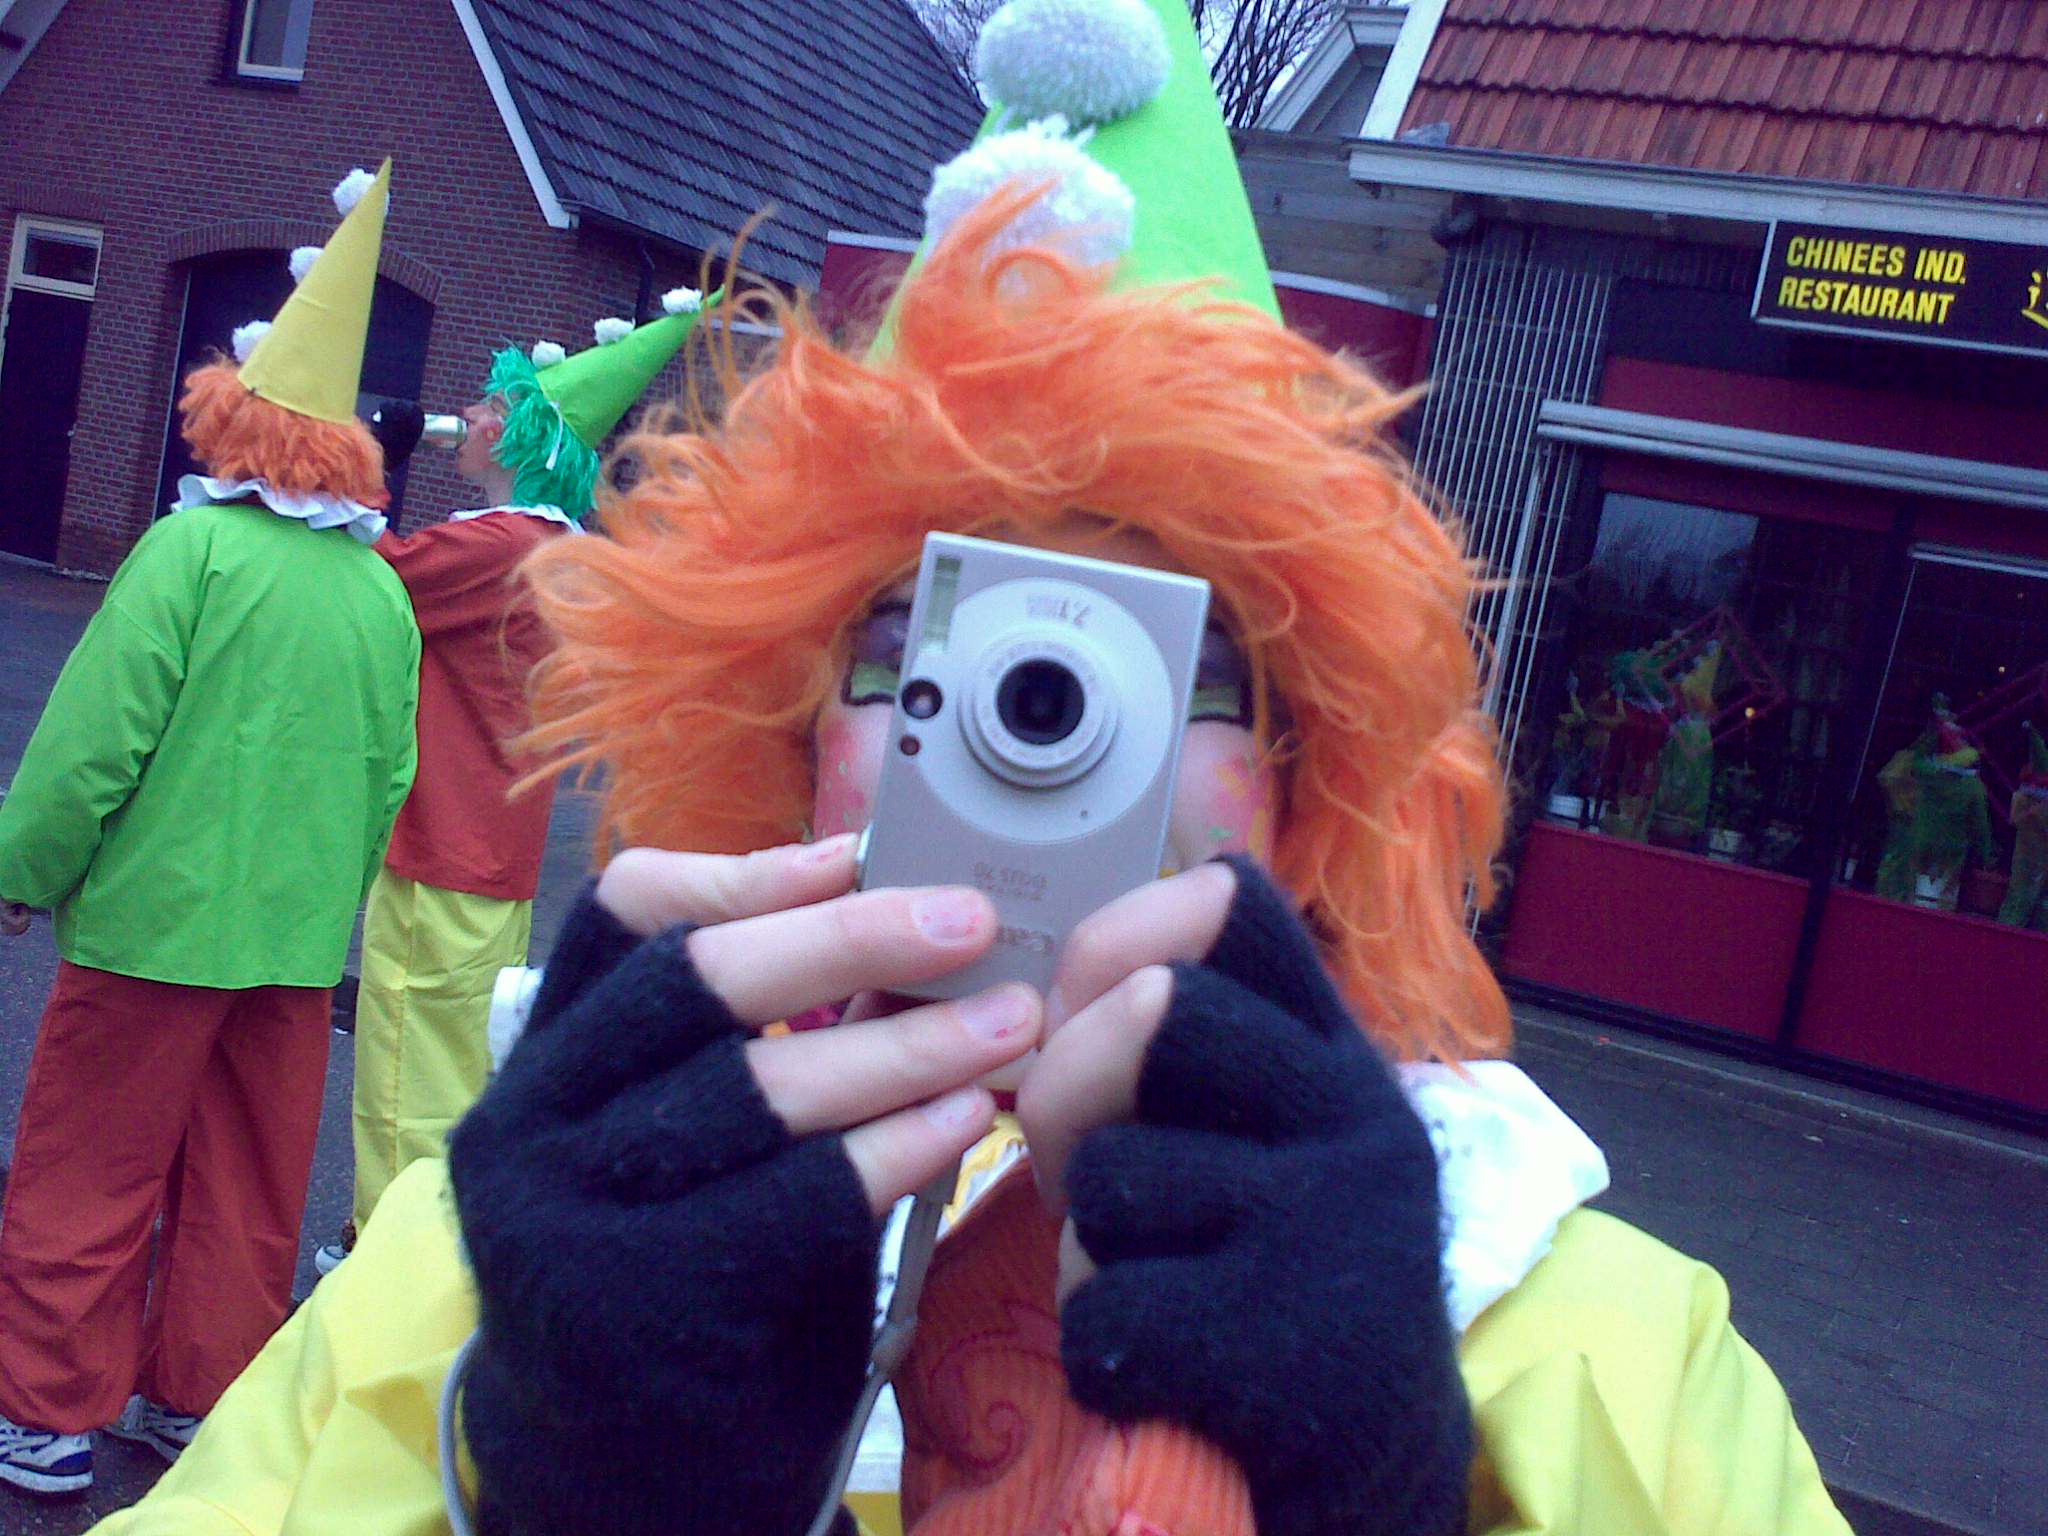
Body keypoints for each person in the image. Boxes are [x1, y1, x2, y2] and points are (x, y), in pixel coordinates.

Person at [85, 5, 1849, 1533]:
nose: (1044, 733)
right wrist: (537, 1466)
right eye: (923, 648)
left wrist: (1391, 1481)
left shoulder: (1587, 1342)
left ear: (1313, 774)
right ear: (785, 734)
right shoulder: (504, 1251)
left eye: (1175, 667)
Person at [0, 163, 418, 1496]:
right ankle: (198, 1399)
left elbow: (91, 747)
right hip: (289, 951)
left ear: (228, 419)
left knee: (89, 1169)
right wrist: (324, 903)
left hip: (152, 929)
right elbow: (389, 779)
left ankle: (47, 1409)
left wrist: (22, 868)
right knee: (247, 1188)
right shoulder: (380, 594)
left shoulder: (188, 556)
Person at [322, 294, 715, 1273]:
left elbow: (367, 572)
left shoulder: (500, 544)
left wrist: (371, 460)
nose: (471, 412)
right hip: (484, 853)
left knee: (407, 1078)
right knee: (447, 1071)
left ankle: (391, 1269)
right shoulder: (541, 546)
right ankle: (420, 1252)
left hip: (443, 848)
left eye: (495, 405)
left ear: (526, 435)